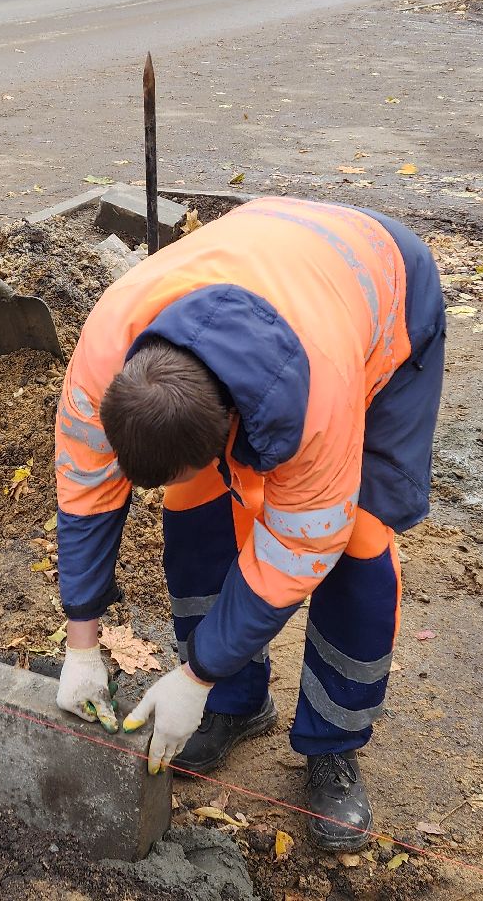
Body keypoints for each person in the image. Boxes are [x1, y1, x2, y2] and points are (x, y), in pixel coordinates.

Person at [51, 197, 445, 852]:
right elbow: (86, 497)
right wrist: (81, 643)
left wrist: (192, 675)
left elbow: (297, 550)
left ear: (226, 426)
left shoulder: (320, 402)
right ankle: (234, 702)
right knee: (195, 507)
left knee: (357, 540)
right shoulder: (104, 355)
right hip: (271, 254)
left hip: (382, 293)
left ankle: (333, 745)